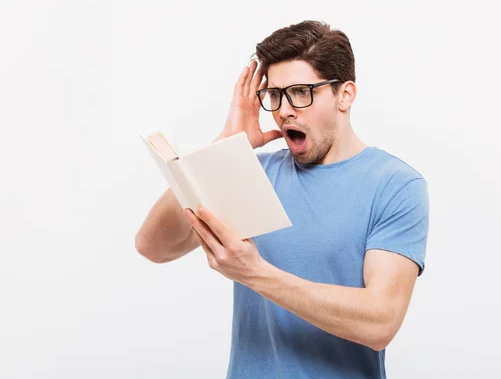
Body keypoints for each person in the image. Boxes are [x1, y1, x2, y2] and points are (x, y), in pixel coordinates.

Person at [135, 20, 430, 379]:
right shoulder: (251, 172)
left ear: (345, 95)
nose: (285, 110)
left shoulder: (395, 185)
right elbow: (154, 246)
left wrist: (256, 274)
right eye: (275, 95)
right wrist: (226, 143)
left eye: (301, 92)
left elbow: (380, 322)